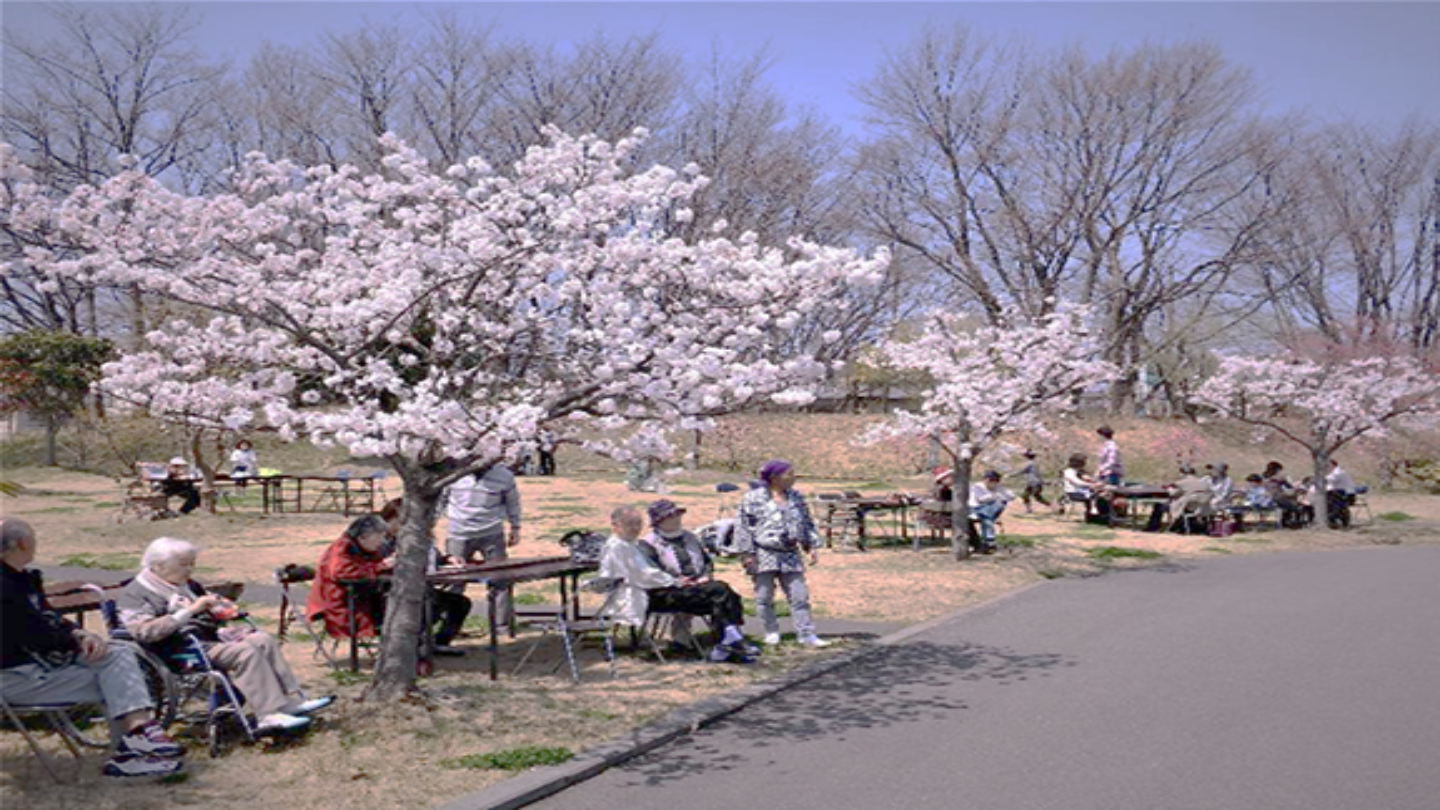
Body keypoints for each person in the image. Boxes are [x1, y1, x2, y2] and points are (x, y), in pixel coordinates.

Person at [0, 518, 185, 778]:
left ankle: (138, 739)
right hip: (16, 679)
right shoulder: (4, 587)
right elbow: (32, 633)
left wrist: (78, 632)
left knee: (118, 656)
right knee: (118, 679)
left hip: (39, 667)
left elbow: (47, 618)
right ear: (22, 543)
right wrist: (77, 642)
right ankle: (135, 745)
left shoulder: (22, 579)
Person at [117, 537, 334, 734]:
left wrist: (219, 610)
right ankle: (267, 715)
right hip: (175, 648)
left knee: (262, 640)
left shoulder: (187, 585)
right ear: (158, 566)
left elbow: (206, 610)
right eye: (183, 564)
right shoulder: (135, 594)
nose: (190, 569)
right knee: (245, 652)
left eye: (192, 563)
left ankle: (287, 701)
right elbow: (145, 632)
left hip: (205, 638)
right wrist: (190, 611)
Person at [638, 499, 758, 663]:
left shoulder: (689, 537)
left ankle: (726, 642)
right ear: (659, 520)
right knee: (720, 591)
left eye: (677, 515)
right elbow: (651, 573)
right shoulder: (648, 543)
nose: (676, 519)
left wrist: (704, 576)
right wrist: (678, 581)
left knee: (724, 596)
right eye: (671, 516)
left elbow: (706, 561)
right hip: (666, 593)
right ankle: (730, 638)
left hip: (697, 589)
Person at [735, 459, 829, 648]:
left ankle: (806, 633)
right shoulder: (753, 498)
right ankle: (771, 631)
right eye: (789, 474)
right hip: (763, 553)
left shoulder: (796, 497)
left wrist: (811, 545)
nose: (793, 477)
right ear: (774, 477)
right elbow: (743, 527)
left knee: (799, 595)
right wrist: (746, 554)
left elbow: (806, 522)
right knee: (764, 596)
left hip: (790, 553)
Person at [379, 499, 471, 656]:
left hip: (420, 587)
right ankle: (416, 644)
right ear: (389, 519)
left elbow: (432, 555)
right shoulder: (381, 541)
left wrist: (447, 558)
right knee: (428, 604)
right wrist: (388, 563)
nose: (404, 526)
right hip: (390, 593)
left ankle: (439, 642)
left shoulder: (418, 536)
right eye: (400, 521)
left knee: (459, 603)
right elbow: (376, 566)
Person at [444, 463, 521, 625]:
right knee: (453, 581)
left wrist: (515, 527)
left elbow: (512, 502)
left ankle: (501, 625)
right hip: (458, 533)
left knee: (500, 579)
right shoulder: (453, 474)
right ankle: (449, 627)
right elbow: (441, 500)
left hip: (491, 532)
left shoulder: (504, 475)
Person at [307, 514, 393, 642]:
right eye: (379, 537)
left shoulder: (365, 548)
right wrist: (382, 566)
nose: (381, 542)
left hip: (362, 596)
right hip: (343, 602)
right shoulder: (343, 548)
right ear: (363, 536)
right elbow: (341, 572)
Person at [968, 470, 1014, 554]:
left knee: (999, 504)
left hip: (988, 511)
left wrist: (999, 492)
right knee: (988, 516)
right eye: (990, 481)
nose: (992, 483)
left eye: (995, 481)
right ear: (985, 480)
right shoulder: (977, 487)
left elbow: (1011, 496)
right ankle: (989, 541)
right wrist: (995, 496)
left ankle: (988, 542)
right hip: (976, 509)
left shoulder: (998, 488)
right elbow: (980, 499)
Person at [1325, 459, 1358, 528]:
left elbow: (1330, 480)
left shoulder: (1338, 472)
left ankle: (1333, 520)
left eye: (1327, 466)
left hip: (1346, 495)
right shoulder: (1334, 473)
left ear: (1332, 465)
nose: (1325, 467)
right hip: (1342, 494)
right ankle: (1333, 519)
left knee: (1328, 500)